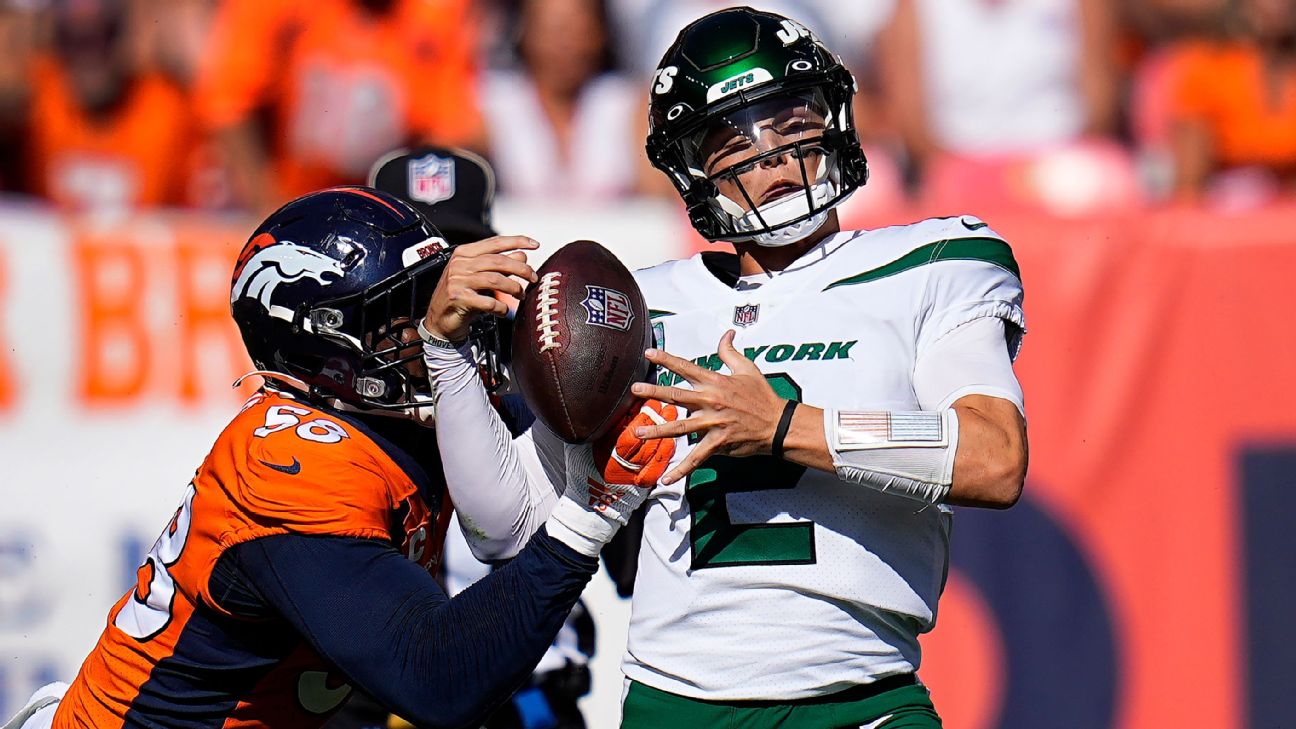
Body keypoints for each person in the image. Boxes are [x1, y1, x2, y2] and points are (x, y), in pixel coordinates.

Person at [420, 8, 1028, 727]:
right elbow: (502, 525)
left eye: (792, 121)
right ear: (693, 168)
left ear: (833, 118)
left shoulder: (926, 267)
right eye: (737, 138)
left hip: (864, 696)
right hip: (677, 703)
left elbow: (995, 460)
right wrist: (444, 350)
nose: (772, 154)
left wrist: (785, 428)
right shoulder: (640, 304)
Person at [2, 187, 664, 729]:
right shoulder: (291, 462)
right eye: (404, 316)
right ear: (327, 343)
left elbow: (542, 456)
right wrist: (592, 511)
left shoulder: (398, 419)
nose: (437, 328)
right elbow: (441, 681)